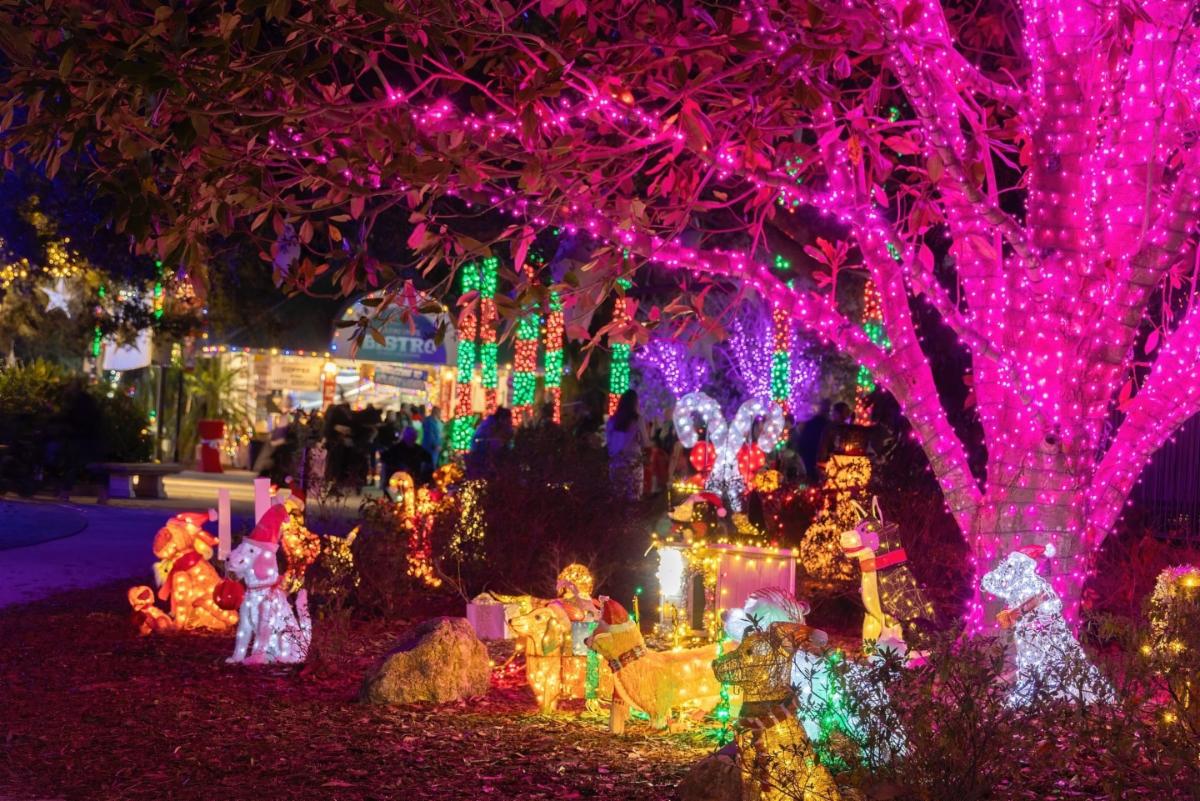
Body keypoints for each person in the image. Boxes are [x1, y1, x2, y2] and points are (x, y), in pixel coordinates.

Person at [605, 389, 648, 500]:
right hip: (633, 463)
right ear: (635, 403)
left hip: (616, 462)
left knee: (617, 497)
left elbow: (608, 442)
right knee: (634, 496)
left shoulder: (612, 420)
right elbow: (645, 442)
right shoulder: (638, 420)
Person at [466, 407, 514, 480]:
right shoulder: (489, 427)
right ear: (502, 419)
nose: (510, 422)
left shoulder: (492, 425)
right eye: (508, 420)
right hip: (482, 457)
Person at [793, 400, 831, 484]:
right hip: (816, 455)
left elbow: (802, 440)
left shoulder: (811, 423)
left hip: (809, 454)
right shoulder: (826, 425)